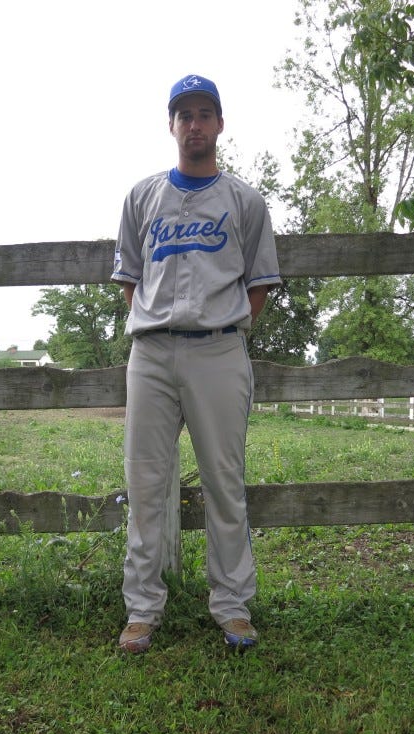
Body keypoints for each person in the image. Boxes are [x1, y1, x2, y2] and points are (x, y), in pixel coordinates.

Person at [111, 74, 281, 653]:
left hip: (218, 350)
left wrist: (224, 326)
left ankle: (232, 607)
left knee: (224, 483)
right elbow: (130, 277)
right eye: (184, 115)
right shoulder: (142, 198)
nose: (195, 125)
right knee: (145, 483)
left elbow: (258, 284)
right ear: (171, 125)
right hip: (152, 353)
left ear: (220, 125)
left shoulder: (244, 200)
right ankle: (142, 609)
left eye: (205, 114)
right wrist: (158, 325)